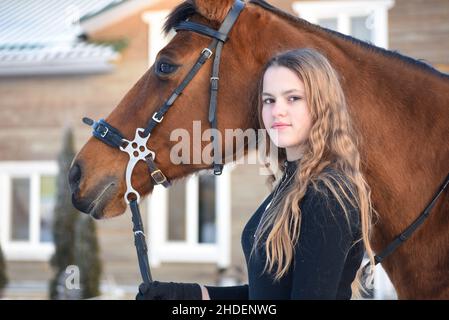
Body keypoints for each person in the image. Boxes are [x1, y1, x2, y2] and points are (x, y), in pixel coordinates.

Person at [136, 48, 375, 300]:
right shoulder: (292, 183)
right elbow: (269, 295)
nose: (277, 111)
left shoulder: (327, 194)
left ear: (322, 105)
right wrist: (188, 296)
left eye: (293, 98)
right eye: (269, 100)